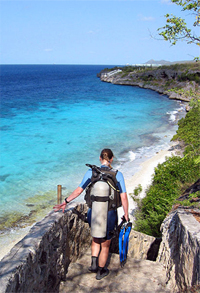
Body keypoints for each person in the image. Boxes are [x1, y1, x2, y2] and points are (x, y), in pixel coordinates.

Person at [53, 148, 129, 280]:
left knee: (95, 238)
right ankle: (101, 271)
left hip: (92, 211)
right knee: (105, 243)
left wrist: (65, 201)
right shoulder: (117, 174)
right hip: (110, 213)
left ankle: (93, 265)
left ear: (100, 158)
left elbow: (78, 190)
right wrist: (126, 214)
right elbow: (123, 197)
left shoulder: (91, 172)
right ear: (111, 159)